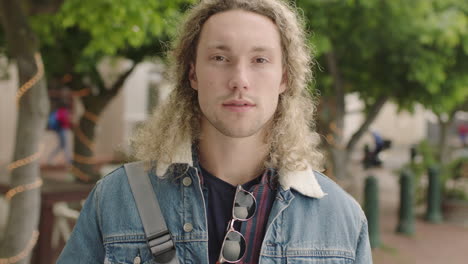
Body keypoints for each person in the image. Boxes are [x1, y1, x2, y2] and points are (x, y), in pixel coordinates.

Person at [57, 0, 372, 263]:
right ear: (192, 73)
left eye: (260, 59)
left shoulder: (342, 218)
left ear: (284, 79)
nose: (240, 79)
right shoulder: (116, 198)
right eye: (220, 58)